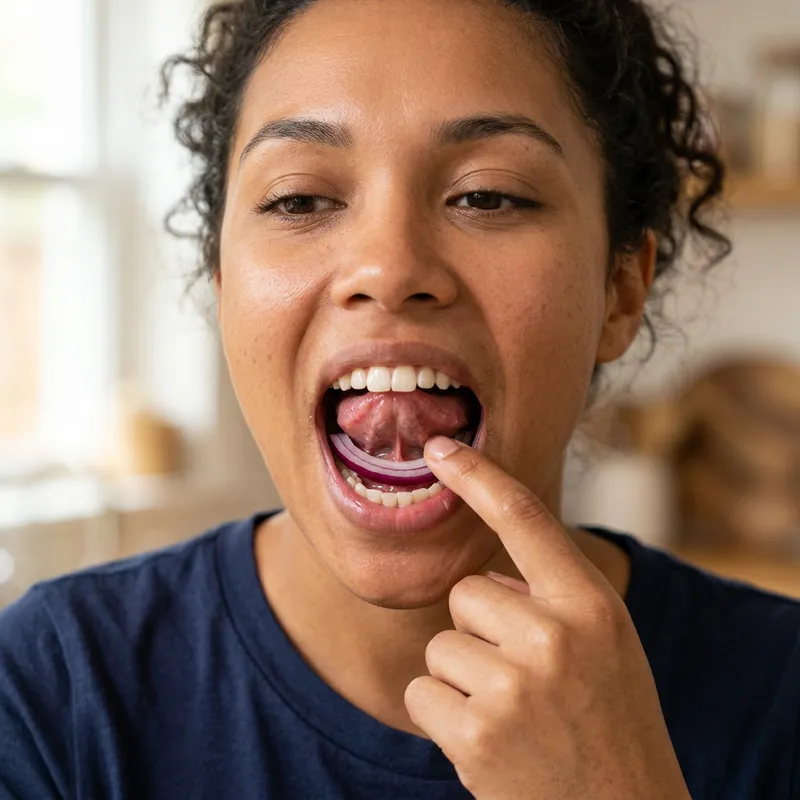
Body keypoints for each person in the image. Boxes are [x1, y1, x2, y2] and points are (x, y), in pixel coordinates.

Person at [1, 0, 798, 797]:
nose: (387, 266)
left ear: (621, 288)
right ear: (222, 288)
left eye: (488, 195)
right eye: (300, 200)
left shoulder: (779, 695)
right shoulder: (50, 694)